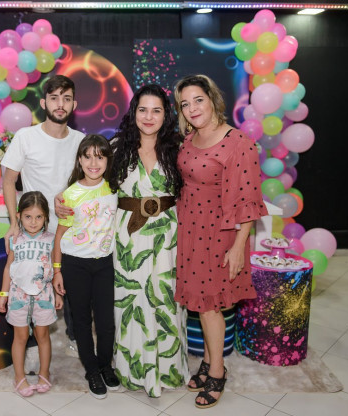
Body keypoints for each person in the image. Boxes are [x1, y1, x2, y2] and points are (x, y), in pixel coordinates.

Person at [173, 74, 268, 409]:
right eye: (185, 104)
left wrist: (239, 246)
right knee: (199, 304)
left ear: (212, 99)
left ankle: (217, 372)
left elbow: (249, 199)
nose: (192, 108)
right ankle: (209, 360)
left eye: (198, 100)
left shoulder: (238, 142)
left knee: (210, 306)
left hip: (218, 234)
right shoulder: (189, 139)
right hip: (190, 230)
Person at [108, 84, 189, 398]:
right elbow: (95, 187)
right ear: (134, 112)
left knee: (166, 301)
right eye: (143, 109)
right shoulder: (117, 147)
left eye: (156, 110)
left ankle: (168, 370)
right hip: (128, 239)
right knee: (131, 303)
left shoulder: (179, 148)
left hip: (169, 237)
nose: (149, 116)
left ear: (166, 114)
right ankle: (132, 370)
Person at [1, 74, 83, 356]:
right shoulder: (26, 137)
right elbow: (9, 181)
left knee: (70, 288)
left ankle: (75, 337)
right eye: (54, 98)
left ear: (74, 104)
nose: (60, 104)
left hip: (70, 229)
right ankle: (30, 338)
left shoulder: (80, 141)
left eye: (66, 98)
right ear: (44, 102)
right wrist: (14, 223)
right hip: (35, 230)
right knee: (30, 284)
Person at [52, 134, 120, 400]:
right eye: (88, 156)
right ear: (79, 160)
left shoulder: (114, 188)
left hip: (104, 264)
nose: (94, 163)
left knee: (106, 323)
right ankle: (91, 371)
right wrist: (57, 271)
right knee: (81, 321)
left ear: (108, 160)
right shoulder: (70, 195)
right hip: (75, 264)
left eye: (100, 157)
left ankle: (105, 365)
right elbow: (59, 236)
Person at [0, 191, 63, 397]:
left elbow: (55, 270)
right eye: (28, 216)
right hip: (19, 296)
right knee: (21, 337)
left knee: (43, 336)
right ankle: (19, 377)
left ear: (46, 217)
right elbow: (8, 268)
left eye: (38, 217)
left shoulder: (52, 240)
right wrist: (3, 294)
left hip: (44, 296)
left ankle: (44, 373)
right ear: (19, 216)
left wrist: (58, 294)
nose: (33, 222)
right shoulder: (15, 239)